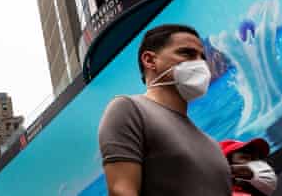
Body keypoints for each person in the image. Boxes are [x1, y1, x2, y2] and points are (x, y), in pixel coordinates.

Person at [98, 24, 231, 196]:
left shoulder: (213, 145)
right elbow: (121, 191)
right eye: (187, 54)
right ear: (150, 60)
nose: (200, 64)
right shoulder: (129, 109)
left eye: (202, 57)